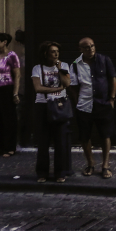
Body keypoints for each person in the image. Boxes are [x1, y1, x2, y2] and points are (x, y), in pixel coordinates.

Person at [68, 37, 116, 178]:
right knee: (84, 136)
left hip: (103, 104)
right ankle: (90, 163)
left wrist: (112, 98)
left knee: (105, 135)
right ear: (81, 49)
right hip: (84, 106)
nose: (91, 49)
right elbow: (73, 86)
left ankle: (105, 165)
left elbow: (112, 78)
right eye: (87, 47)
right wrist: (78, 101)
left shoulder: (104, 60)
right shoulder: (76, 64)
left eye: (93, 46)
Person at [32, 41, 72, 183]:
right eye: (53, 52)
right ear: (45, 53)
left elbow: (67, 84)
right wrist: (56, 89)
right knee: (43, 142)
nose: (56, 54)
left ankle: (60, 173)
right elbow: (38, 88)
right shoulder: (37, 68)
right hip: (42, 106)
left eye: (57, 51)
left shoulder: (64, 66)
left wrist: (60, 69)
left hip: (59, 105)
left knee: (60, 141)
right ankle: (42, 172)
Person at [0, 33, 20, 157]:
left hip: (6, 89)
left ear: (4, 42)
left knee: (8, 119)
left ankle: (10, 148)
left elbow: (17, 75)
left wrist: (15, 93)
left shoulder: (12, 56)